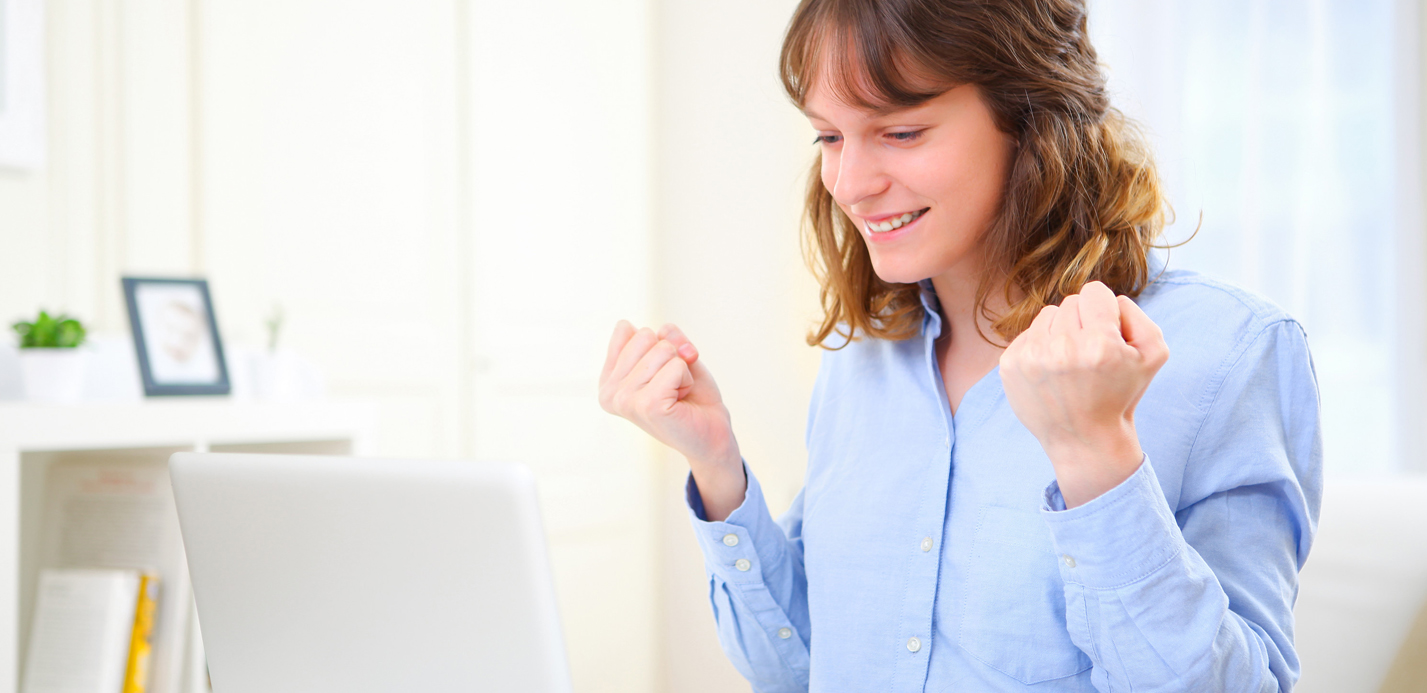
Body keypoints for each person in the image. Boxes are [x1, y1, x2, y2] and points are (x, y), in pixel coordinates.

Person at [598, 0, 1322, 690]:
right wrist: (716, 465)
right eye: (828, 137)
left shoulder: (1231, 354)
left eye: (900, 132)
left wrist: (1095, 456)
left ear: (1030, 116)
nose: (849, 185)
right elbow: (802, 668)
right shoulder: (863, 359)